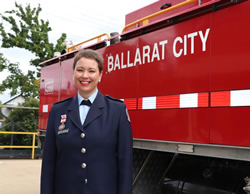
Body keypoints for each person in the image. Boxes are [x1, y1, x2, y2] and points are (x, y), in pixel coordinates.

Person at [41, 49, 133, 194]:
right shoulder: (58, 111)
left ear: (100, 75)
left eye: (91, 71)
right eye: (80, 70)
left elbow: (125, 163)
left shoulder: (117, 110)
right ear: (73, 74)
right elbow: (48, 163)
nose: (85, 76)